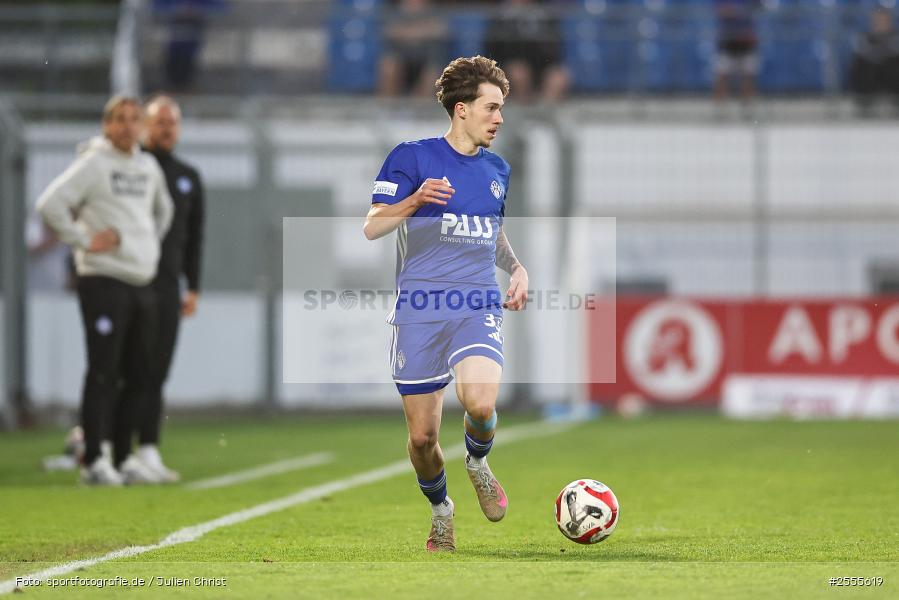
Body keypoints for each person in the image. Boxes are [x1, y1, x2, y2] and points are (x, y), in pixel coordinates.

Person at [363, 56, 529, 552]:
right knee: (422, 441)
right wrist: (415, 200)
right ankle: (441, 510)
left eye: (501, 108)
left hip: (475, 302)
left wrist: (517, 268)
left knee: (480, 403)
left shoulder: (497, 170)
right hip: (419, 309)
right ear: (462, 109)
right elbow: (373, 225)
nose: (499, 118)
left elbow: (491, 234)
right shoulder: (411, 158)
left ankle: (477, 461)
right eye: (491, 108)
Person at [36, 95, 174, 485]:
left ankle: (125, 457)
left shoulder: (148, 166)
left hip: (140, 278)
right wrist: (84, 239)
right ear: (107, 125)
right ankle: (95, 459)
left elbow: (163, 212)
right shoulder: (94, 163)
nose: (128, 126)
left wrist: (143, 244)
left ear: (141, 127)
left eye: (134, 119)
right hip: (104, 278)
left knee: (137, 373)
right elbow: (49, 205)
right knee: (103, 371)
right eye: (120, 119)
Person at [136, 95, 205, 482]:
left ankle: (147, 447)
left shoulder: (187, 176)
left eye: (172, 123)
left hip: (166, 283)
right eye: (159, 122)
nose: (166, 129)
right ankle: (104, 447)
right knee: (121, 367)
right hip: (131, 278)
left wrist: (192, 285)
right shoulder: (133, 169)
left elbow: (194, 236)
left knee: (157, 367)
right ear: (146, 125)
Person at [484, 0, 570, 104]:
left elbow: (554, 44)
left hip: (541, 63)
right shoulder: (500, 15)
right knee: (520, 73)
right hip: (510, 63)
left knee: (558, 77)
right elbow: (493, 47)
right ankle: (523, 108)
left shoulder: (544, 13)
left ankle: (547, 109)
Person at [378, 0, 448, 97]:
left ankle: (422, 105)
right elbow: (389, 31)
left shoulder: (435, 10)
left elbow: (441, 31)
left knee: (432, 72)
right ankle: (386, 103)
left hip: (428, 57)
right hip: (401, 55)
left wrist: (407, 33)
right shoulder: (394, 11)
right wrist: (422, 31)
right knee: (388, 65)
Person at [849, 7, 899, 115]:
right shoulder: (865, 38)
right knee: (862, 63)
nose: (881, 24)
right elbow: (863, 52)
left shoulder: (896, 37)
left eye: (884, 21)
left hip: (891, 74)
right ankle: (865, 99)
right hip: (872, 73)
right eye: (878, 21)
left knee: (894, 64)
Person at [713, 0, 761, 101]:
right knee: (722, 73)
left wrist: (737, 11)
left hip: (746, 41)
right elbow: (723, 11)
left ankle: (747, 103)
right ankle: (720, 105)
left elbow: (760, 6)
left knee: (748, 74)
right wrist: (741, 11)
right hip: (728, 41)